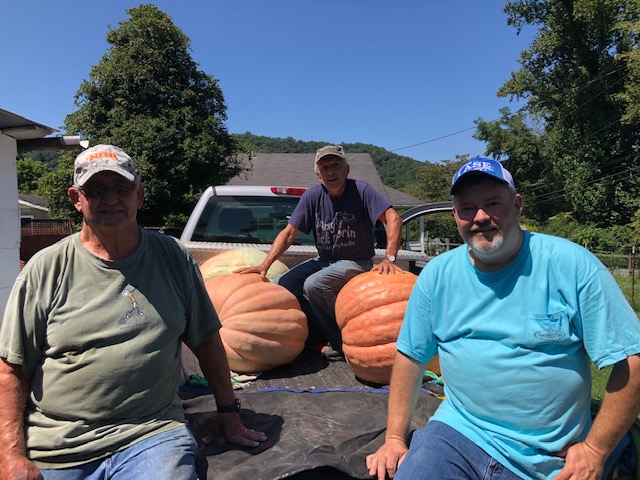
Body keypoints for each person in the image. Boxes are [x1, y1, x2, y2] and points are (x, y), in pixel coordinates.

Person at [0, 145, 266, 480]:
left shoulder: (173, 258)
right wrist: (9, 455)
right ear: (76, 198)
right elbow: (11, 369)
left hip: (152, 436)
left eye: (121, 188)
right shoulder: (44, 269)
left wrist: (228, 411)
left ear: (139, 195)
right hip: (59, 446)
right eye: (96, 190)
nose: (111, 199)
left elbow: (206, 339)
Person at [366, 158, 640, 479]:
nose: (480, 217)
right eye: (467, 208)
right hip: (457, 435)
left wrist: (595, 449)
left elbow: (631, 362)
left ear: (517, 204)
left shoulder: (572, 266)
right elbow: (411, 357)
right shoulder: (438, 275)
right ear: (456, 215)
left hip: (548, 455)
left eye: (492, 203)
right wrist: (395, 439)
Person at [236, 145, 402, 360]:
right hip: (325, 260)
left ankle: (341, 343)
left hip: (356, 261)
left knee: (315, 284)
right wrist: (264, 265)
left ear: (347, 169)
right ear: (318, 174)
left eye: (336, 165)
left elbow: (393, 218)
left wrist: (389, 257)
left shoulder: (362, 190)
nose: (331, 171)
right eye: (325, 167)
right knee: (281, 287)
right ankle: (317, 332)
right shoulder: (313, 196)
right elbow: (288, 233)